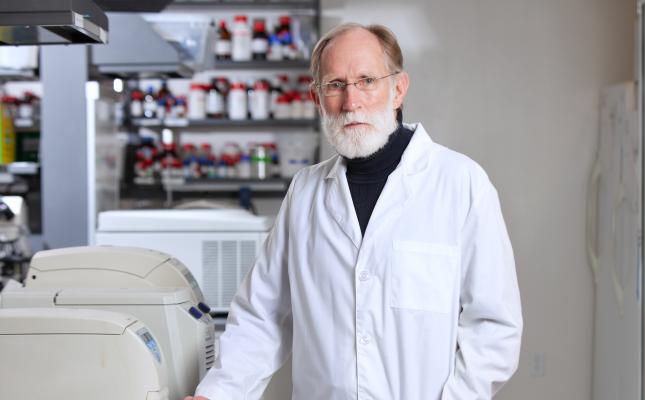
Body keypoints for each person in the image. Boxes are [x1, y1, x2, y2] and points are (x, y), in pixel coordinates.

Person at [186, 22, 522, 400]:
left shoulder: (460, 183)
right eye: (335, 85)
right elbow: (261, 317)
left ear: (398, 89)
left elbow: (494, 328)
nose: (351, 102)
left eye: (366, 81)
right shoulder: (305, 193)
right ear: (317, 98)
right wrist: (216, 394)